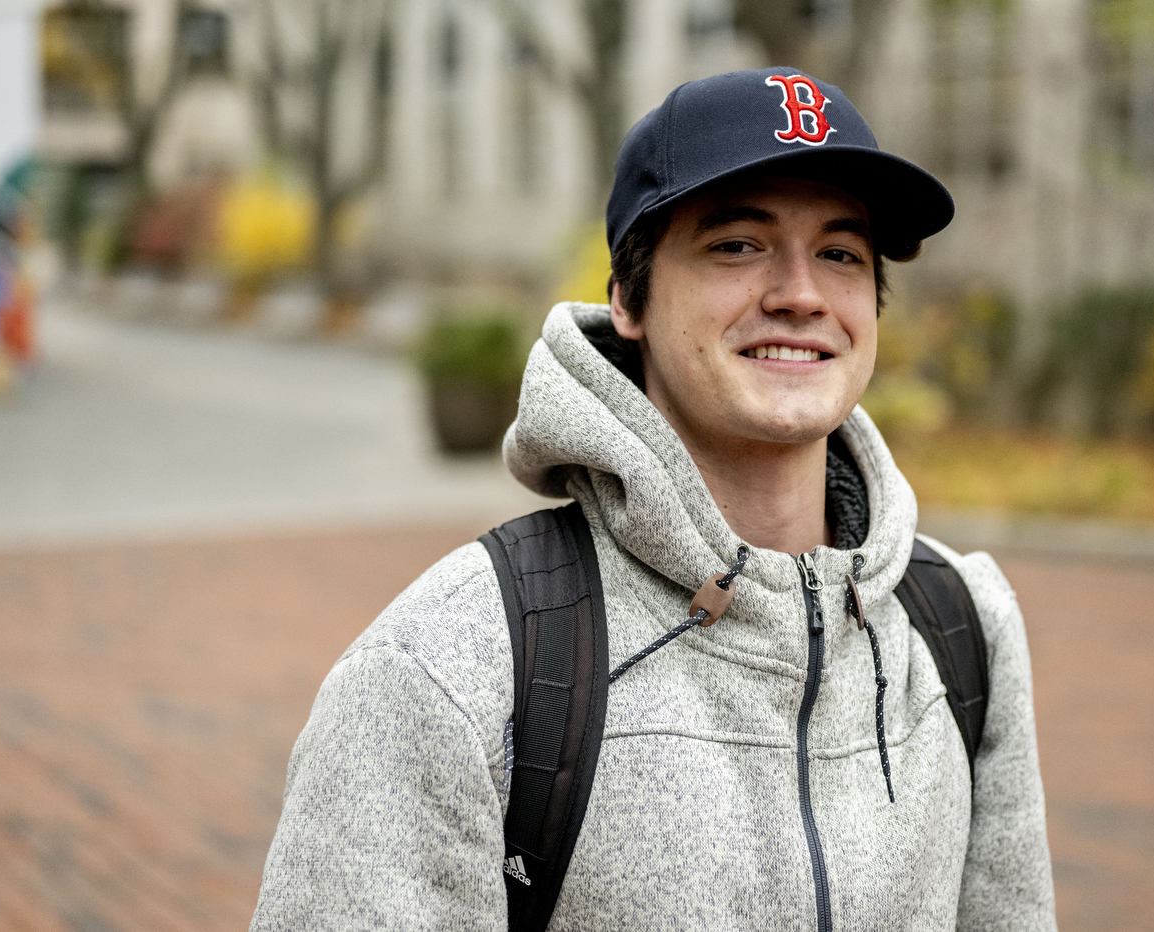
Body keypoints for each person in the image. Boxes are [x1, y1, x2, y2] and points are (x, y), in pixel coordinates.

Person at [251, 67, 1055, 931]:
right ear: (628, 298)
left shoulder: (963, 630)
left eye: (840, 252)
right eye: (738, 245)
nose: (801, 293)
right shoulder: (450, 666)